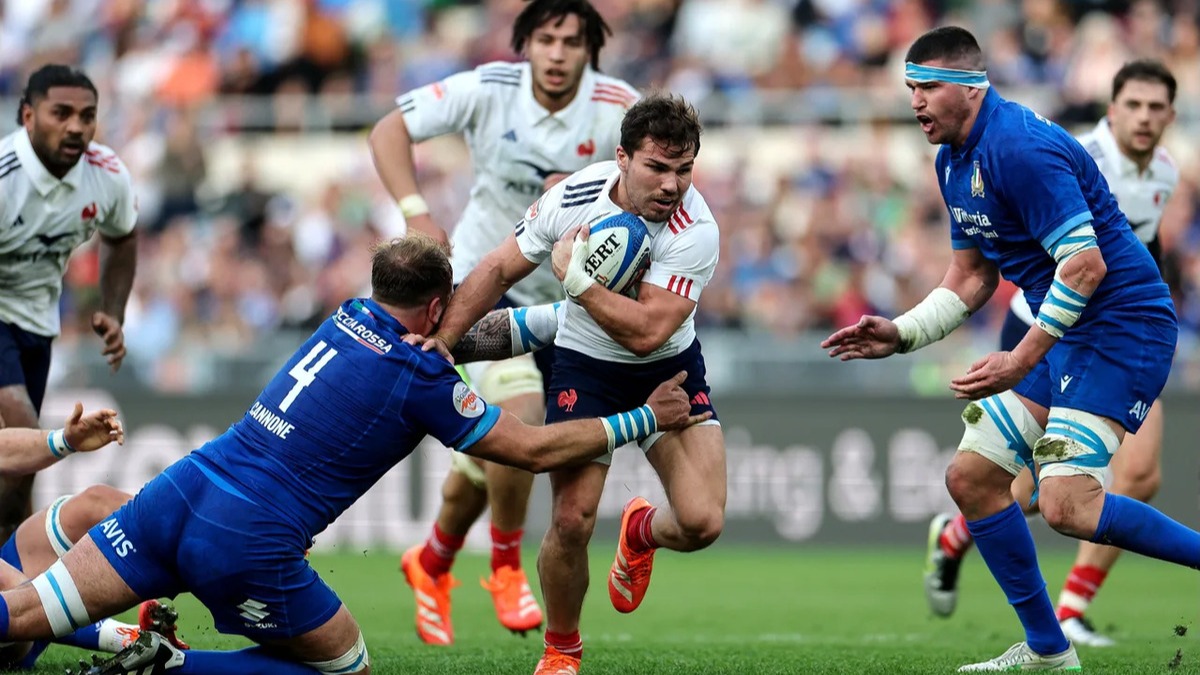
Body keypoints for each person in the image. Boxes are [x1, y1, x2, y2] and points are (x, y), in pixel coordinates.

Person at [0, 235, 704, 675]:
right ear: (437, 305)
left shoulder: (347, 312)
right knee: (346, 666)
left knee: (25, 611)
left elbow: (470, 333)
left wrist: (560, 319)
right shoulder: (419, 377)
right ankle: (172, 664)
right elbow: (526, 448)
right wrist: (643, 416)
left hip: (180, 491)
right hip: (248, 539)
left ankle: (120, 645)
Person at [822, 27, 1200, 672]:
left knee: (1066, 505)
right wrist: (903, 333)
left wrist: (1021, 359)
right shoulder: (952, 159)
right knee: (972, 480)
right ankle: (1050, 651)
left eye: (929, 87)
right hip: (1068, 328)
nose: (915, 101)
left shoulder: (1019, 147)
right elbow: (971, 277)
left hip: (1121, 325)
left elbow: (1084, 267)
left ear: (972, 88)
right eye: (910, 86)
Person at [417, 93, 723, 675]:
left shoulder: (696, 228)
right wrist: (443, 338)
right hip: (585, 365)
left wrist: (579, 284)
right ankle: (562, 650)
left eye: (684, 170)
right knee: (571, 520)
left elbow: (648, 333)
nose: (671, 185)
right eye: (657, 167)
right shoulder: (576, 194)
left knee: (702, 523)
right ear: (622, 159)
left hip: (668, 367)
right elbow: (498, 268)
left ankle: (640, 530)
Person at [367, 0, 638, 643]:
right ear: (527, 44)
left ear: (589, 50)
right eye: (546, 39)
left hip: (576, 302)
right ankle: (507, 564)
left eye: (572, 42)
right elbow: (388, 129)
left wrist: (591, 193)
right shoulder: (490, 89)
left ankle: (431, 559)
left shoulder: (617, 104)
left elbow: (662, 187)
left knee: (492, 454)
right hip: (495, 285)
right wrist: (415, 209)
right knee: (522, 414)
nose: (557, 53)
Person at [923, 59, 1180, 648]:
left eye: (1156, 107)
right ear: (1111, 110)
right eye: (1132, 105)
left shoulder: (1163, 171)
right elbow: (1068, 259)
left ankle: (1065, 610)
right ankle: (977, 551)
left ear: (1171, 115)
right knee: (1022, 486)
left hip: (1111, 326)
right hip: (1045, 329)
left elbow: (1138, 245)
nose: (1143, 118)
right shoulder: (1071, 154)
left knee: (1128, 477)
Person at [0, 64, 138, 542]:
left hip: (36, 324)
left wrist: (114, 309)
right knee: (20, 423)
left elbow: (122, 237)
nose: (76, 126)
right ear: (28, 116)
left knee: (21, 470)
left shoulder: (107, 176)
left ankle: (11, 571)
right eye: (61, 113)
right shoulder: (4, 178)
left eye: (87, 115)